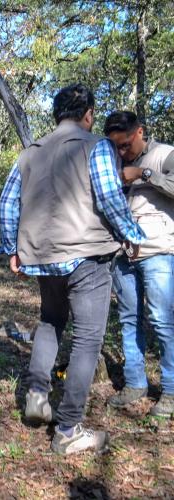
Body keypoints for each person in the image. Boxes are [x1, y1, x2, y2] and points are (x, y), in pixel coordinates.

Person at [0, 84, 145, 454]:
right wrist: (131, 233)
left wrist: (11, 248)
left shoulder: (30, 153)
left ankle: (36, 396)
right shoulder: (94, 145)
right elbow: (110, 197)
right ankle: (68, 429)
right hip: (87, 256)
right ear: (88, 114)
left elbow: (7, 202)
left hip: (43, 259)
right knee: (88, 339)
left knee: (50, 321)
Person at [104, 111, 174, 418]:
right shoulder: (113, 163)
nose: (121, 152)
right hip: (124, 254)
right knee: (129, 320)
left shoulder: (165, 155)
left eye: (124, 145)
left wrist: (144, 174)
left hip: (159, 251)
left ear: (139, 132)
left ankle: (170, 391)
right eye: (115, 147)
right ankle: (135, 383)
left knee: (161, 321)